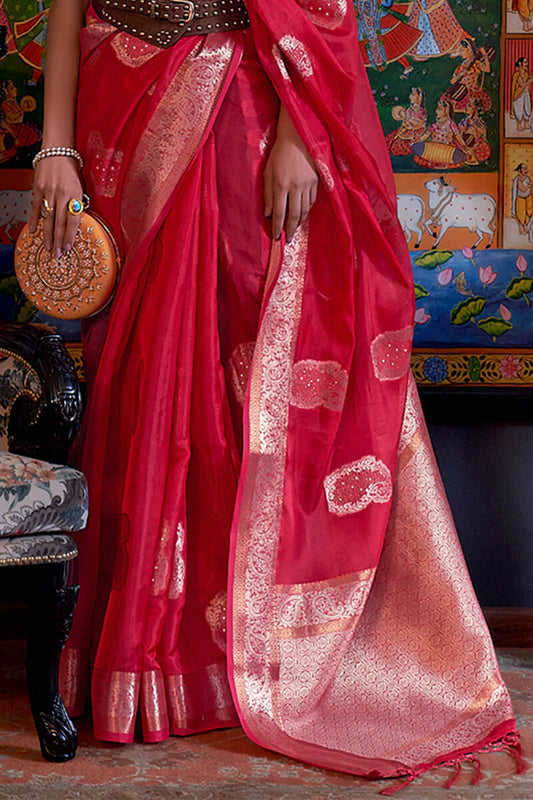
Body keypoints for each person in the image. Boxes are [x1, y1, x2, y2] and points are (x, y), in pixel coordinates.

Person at [29, 0, 521, 791]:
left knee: (248, 375)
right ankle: (147, 662)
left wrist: (300, 130)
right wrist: (54, 146)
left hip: (247, 108)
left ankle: (245, 659)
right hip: (122, 109)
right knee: (143, 370)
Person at [511, 57, 532, 132]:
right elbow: (522, 85)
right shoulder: (517, 75)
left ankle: (526, 123)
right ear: (520, 64)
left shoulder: (526, 74)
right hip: (518, 95)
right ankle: (519, 125)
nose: (527, 64)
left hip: (526, 94)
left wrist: (527, 85)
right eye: (525, 62)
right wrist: (529, 81)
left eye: (527, 62)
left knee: (527, 108)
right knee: (519, 109)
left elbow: (527, 87)